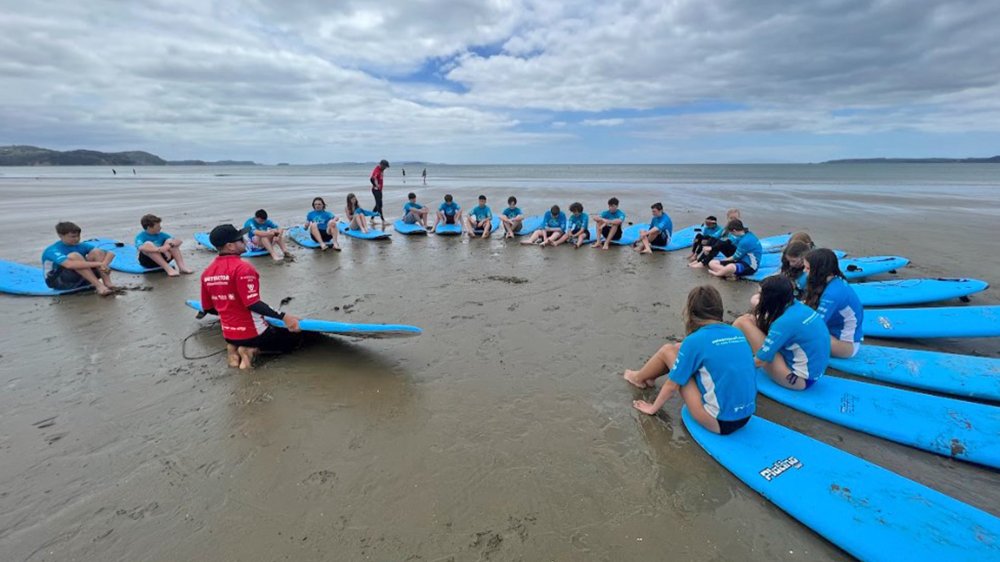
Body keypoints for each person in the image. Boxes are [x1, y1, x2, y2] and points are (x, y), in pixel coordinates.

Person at [625, 285, 757, 435]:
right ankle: (647, 377)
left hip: (719, 422)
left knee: (668, 351)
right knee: (680, 349)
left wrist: (652, 408)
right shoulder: (736, 333)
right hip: (746, 416)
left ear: (692, 312)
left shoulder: (695, 341)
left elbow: (672, 385)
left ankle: (638, 378)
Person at [200, 224, 303, 370]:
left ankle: (233, 348)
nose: (245, 241)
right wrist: (285, 317)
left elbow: (208, 308)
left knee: (240, 337)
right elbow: (253, 303)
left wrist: (231, 310)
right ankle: (250, 350)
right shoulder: (243, 268)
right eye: (241, 240)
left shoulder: (207, 272)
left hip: (228, 334)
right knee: (294, 340)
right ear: (230, 246)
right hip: (254, 334)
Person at [733, 276, 831, 390]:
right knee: (750, 319)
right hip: (812, 373)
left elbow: (760, 361)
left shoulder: (783, 323)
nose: (758, 297)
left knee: (742, 322)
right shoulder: (797, 307)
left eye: (761, 294)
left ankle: (728, 351)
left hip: (797, 379)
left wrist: (734, 369)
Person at [803, 248, 864, 358]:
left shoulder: (832, 294)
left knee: (799, 336)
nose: (804, 271)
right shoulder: (833, 280)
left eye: (807, 268)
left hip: (846, 344)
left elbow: (814, 325)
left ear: (818, 270)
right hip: (833, 332)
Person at [42, 221, 116, 296]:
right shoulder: (52, 250)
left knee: (97, 252)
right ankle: (99, 286)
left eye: (78, 236)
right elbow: (69, 265)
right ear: (60, 235)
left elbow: (110, 253)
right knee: (74, 256)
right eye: (73, 237)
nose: (77, 239)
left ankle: (107, 283)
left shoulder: (80, 245)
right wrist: (100, 264)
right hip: (59, 282)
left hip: (79, 278)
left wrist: (104, 264)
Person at [369, 159, 389, 228]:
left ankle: (371, 219)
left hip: (379, 190)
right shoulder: (377, 170)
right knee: (379, 205)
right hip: (376, 190)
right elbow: (371, 179)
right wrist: (375, 185)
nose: (385, 168)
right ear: (382, 165)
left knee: (378, 205)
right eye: (385, 167)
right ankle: (383, 220)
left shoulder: (381, 170)